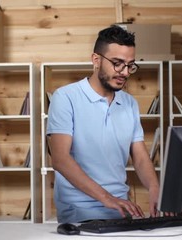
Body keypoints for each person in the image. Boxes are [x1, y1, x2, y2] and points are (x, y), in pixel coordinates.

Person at [47, 25, 161, 223]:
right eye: (117, 63)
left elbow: (140, 157)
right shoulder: (65, 97)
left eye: (130, 65)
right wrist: (107, 198)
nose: (124, 72)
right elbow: (60, 159)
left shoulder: (130, 103)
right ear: (96, 60)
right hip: (78, 211)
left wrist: (154, 188)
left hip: (121, 209)